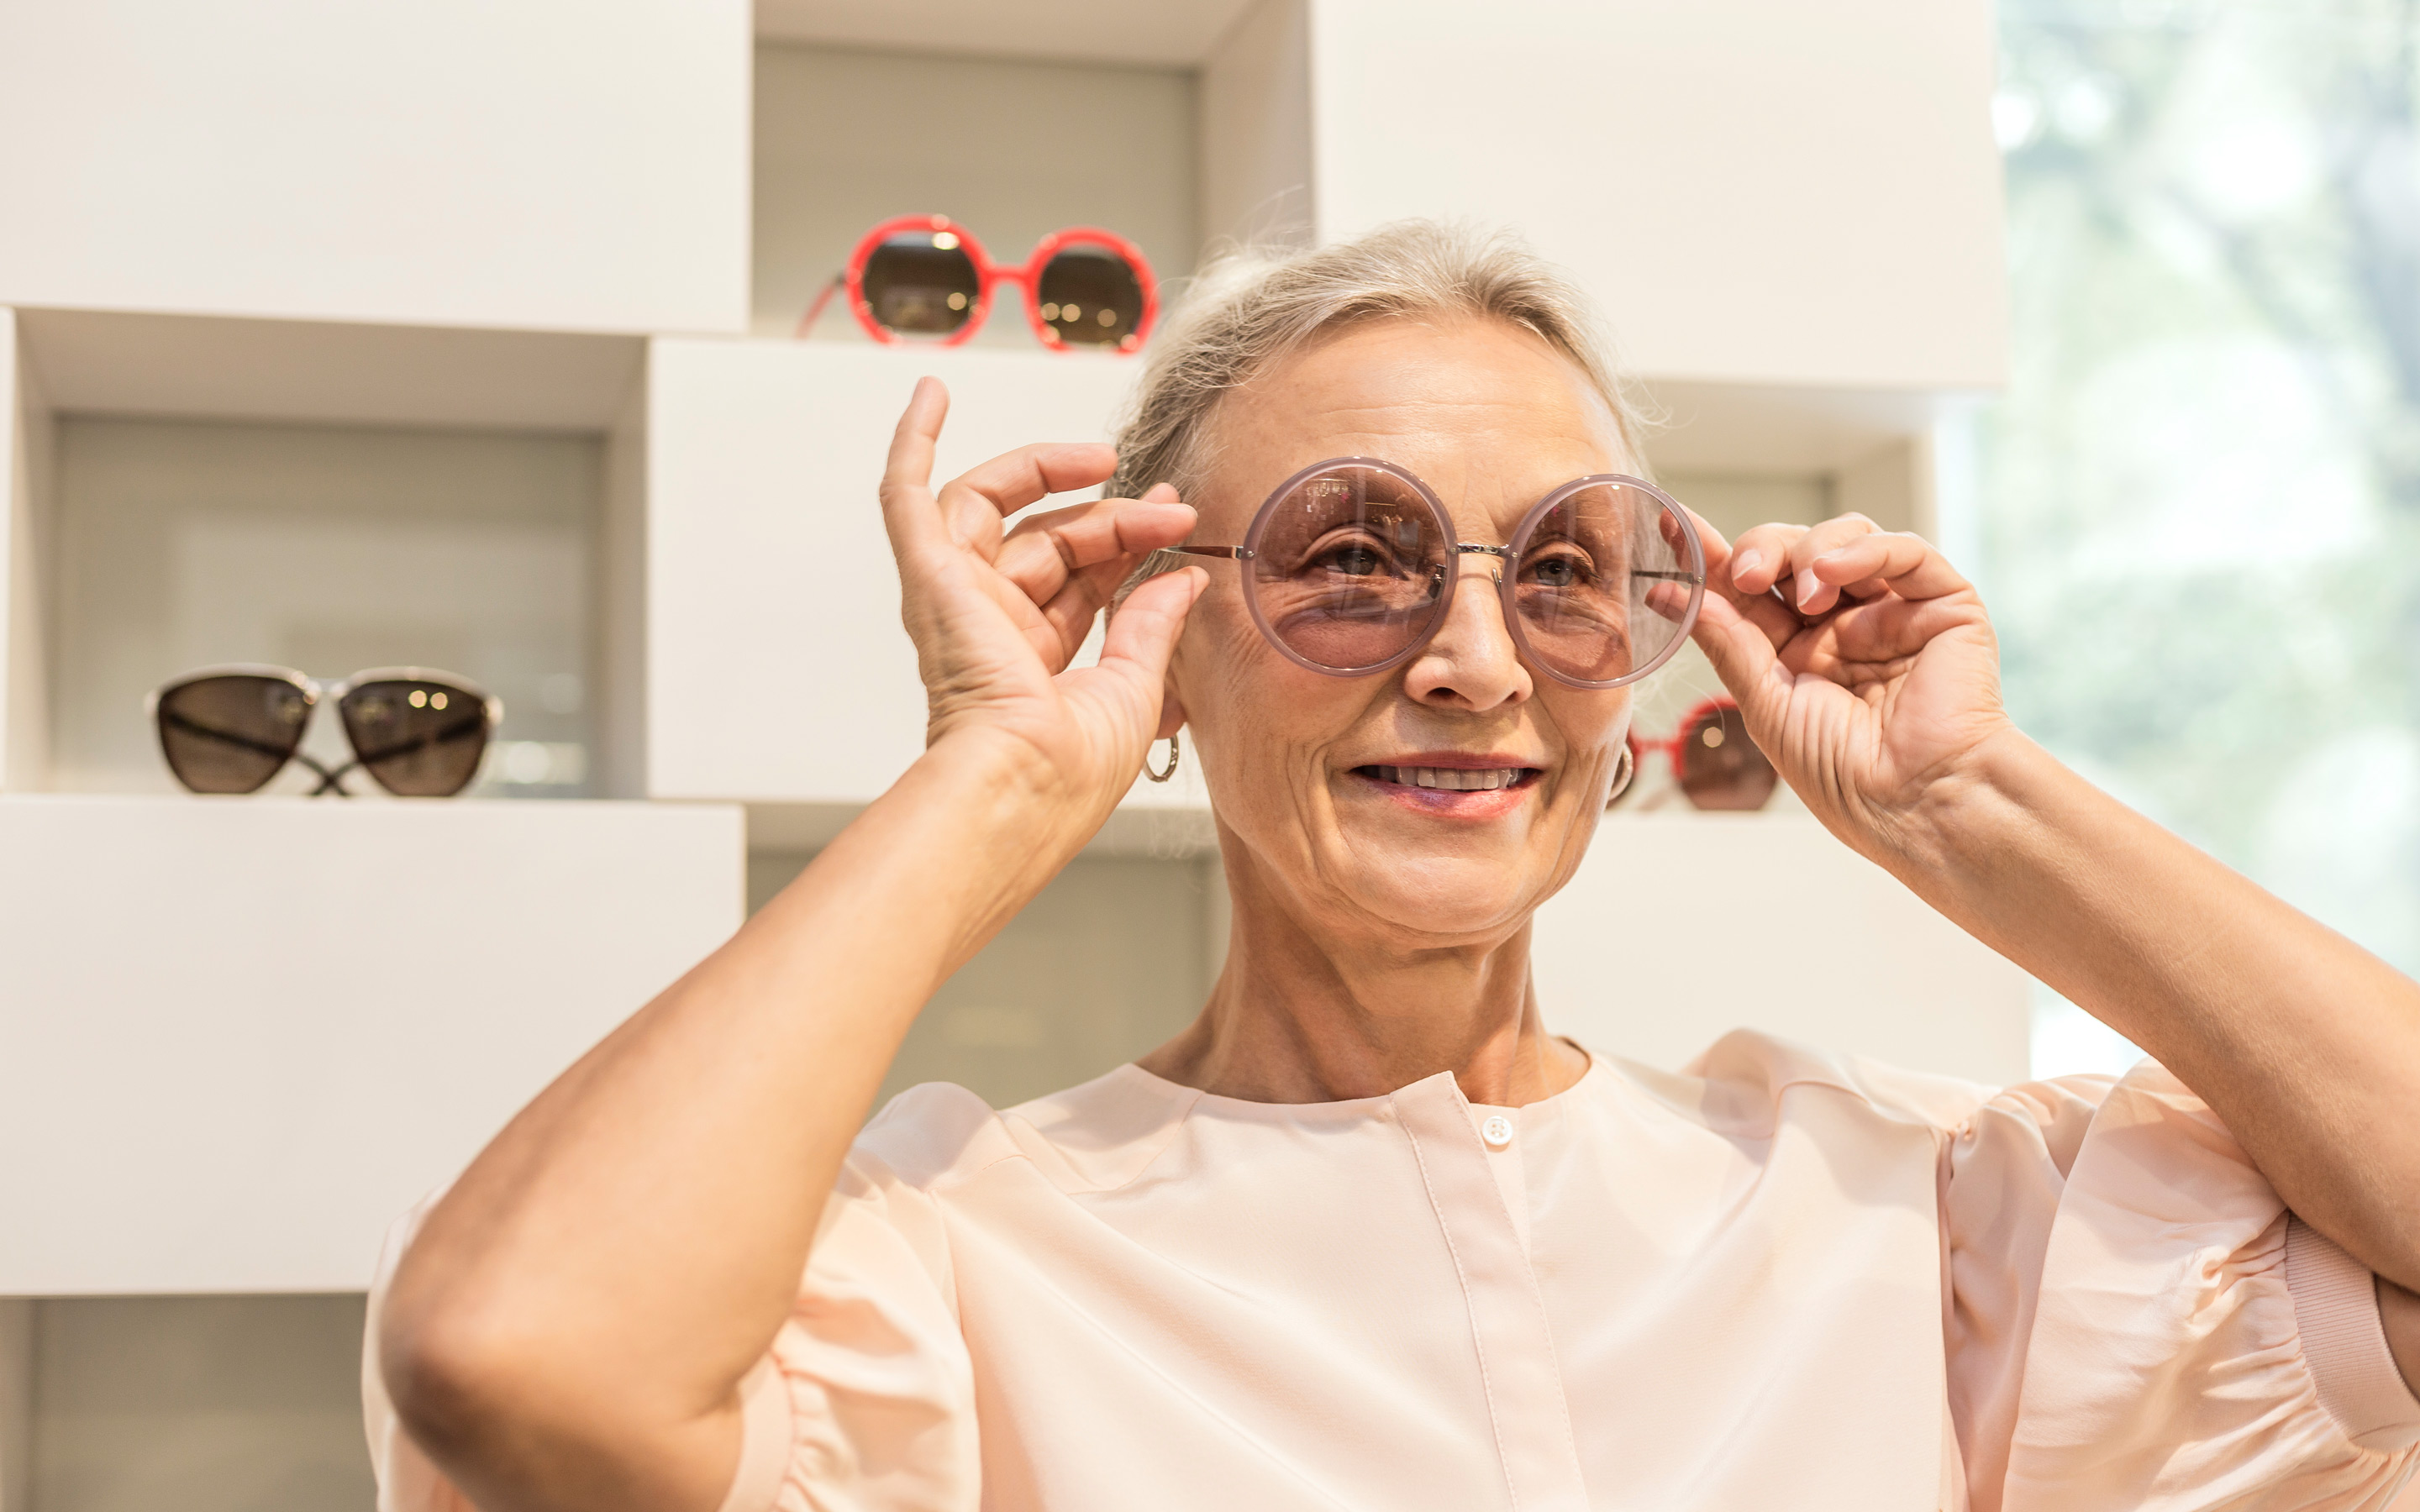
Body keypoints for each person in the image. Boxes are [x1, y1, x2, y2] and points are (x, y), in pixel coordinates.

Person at [363, 222, 2420, 1512]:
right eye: (1351, 559)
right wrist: (994, 773)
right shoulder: (961, 1264)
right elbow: (513, 1365)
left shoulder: (1913, 1220)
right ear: (1166, 641)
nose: (1472, 662)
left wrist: (1960, 803)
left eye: (1564, 573)